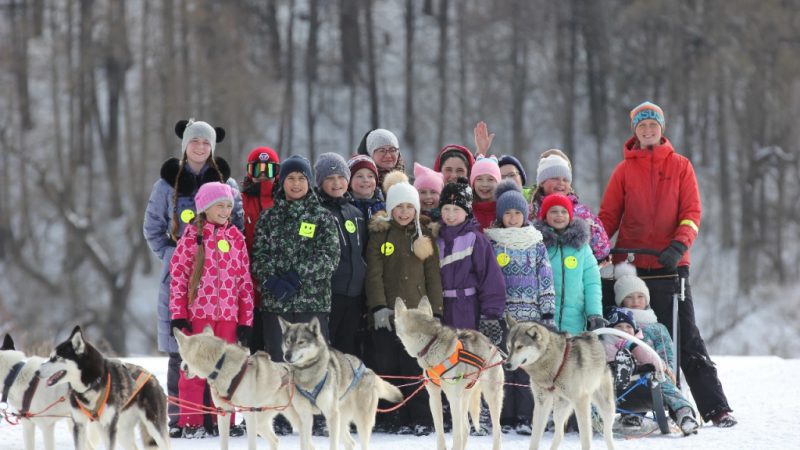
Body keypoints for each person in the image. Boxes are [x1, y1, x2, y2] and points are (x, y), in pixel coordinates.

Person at [598, 101, 736, 427]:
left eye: (653, 126)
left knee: (684, 336)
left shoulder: (681, 166)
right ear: (635, 131)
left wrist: (679, 244)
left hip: (670, 265)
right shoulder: (624, 170)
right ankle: (635, 406)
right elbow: (608, 217)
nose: (647, 131)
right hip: (631, 266)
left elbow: (692, 213)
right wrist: (599, 247)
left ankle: (714, 407)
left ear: (662, 129)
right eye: (642, 126)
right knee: (631, 338)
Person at [143, 119, 243, 438]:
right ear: (185, 145)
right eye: (195, 142)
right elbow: (152, 229)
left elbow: (237, 222)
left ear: (213, 148)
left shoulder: (228, 183)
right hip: (181, 279)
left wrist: (222, 256)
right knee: (182, 349)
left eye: (206, 143)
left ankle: (218, 418)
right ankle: (182, 418)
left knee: (221, 351)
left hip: (221, 283)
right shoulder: (165, 186)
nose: (200, 148)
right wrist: (174, 258)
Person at [169, 182, 254, 438]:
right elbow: (178, 278)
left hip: (228, 316)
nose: (226, 210)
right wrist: (178, 315)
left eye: (229, 206)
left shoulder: (236, 238)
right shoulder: (192, 236)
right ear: (205, 207)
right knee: (195, 371)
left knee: (227, 371)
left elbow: (244, 282)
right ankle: (192, 421)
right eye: (220, 205)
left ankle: (223, 422)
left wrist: (246, 320)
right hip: (199, 316)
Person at [365, 171, 443, 436]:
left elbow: (433, 276)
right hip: (388, 314)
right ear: (390, 208)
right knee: (387, 364)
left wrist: (436, 311)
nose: (404, 212)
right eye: (399, 206)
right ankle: (391, 417)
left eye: (410, 206)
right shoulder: (380, 235)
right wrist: (378, 307)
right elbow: (373, 273)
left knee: (416, 368)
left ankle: (420, 416)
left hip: (418, 318)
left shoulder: (424, 235)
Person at [250, 155, 340, 362]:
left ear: (309, 181)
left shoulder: (322, 217)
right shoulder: (268, 217)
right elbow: (259, 256)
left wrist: (295, 277)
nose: (296, 183)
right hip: (276, 306)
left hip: (312, 304)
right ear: (282, 182)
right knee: (279, 365)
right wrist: (272, 282)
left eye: (301, 178)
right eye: (291, 178)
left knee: (313, 367)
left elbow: (329, 258)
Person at [484, 180, 555, 435]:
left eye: (517, 213)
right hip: (505, 317)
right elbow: (487, 278)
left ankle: (527, 416)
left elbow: (545, 277)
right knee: (504, 365)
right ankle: (505, 415)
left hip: (531, 316)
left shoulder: (535, 243)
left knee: (527, 368)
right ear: (500, 216)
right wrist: (489, 312)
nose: (513, 218)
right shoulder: (493, 243)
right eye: (508, 213)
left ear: (524, 215)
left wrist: (547, 312)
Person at [603, 307, 700, 436]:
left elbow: (651, 359)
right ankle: (622, 365)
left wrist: (632, 347)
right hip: (612, 384)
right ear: (610, 329)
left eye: (628, 326)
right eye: (619, 327)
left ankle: (684, 414)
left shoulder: (638, 344)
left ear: (635, 330)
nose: (624, 330)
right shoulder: (604, 343)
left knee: (662, 381)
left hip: (642, 382)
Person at [436, 177, 506, 332]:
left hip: (466, 307)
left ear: (466, 211)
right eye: (446, 209)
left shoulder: (475, 239)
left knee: (466, 351)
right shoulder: (436, 238)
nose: (451, 215)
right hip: (441, 308)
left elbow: (490, 276)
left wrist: (491, 312)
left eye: (456, 210)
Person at [314, 153, 367, 357]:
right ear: (320, 182)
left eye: (341, 177)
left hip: (354, 295)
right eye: (329, 178)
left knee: (348, 351)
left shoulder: (356, 214)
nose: (336, 183)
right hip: (330, 295)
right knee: (326, 349)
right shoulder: (317, 213)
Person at [533, 194, 604, 334]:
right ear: (545, 215)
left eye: (564, 211)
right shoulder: (538, 245)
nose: (559, 215)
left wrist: (594, 313)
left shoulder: (582, 248)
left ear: (570, 216)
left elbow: (592, 283)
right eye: (553, 211)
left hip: (575, 321)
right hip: (544, 321)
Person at [530, 152, 610, 263]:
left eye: (565, 179)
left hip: (576, 270)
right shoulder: (532, 211)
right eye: (555, 178)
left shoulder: (582, 213)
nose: (561, 183)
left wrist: (590, 232)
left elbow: (603, 249)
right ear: (542, 182)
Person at [240, 146, 280, 354]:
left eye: (269, 171)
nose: (263, 176)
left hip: (277, 285)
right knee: (253, 348)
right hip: (249, 284)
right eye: (257, 170)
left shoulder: (282, 200)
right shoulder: (242, 200)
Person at [347, 154, 386, 222]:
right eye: (360, 176)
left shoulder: (384, 208)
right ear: (349, 181)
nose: (366, 180)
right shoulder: (345, 208)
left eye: (370, 176)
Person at [470, 155, 501, 230]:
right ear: (473, 183)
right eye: (479, 179)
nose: (485, 184)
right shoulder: (467, 211)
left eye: (490, 179)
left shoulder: (504, 209)